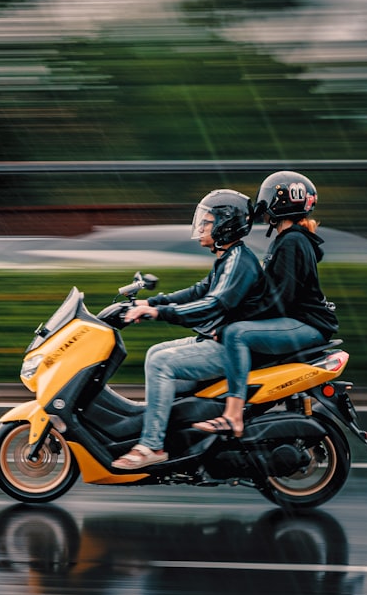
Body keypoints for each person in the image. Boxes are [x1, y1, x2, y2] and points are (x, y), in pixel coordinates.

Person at [111, 188, 268, 470]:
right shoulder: (229, 257)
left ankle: (152, 446)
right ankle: (177, 432)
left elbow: (211, 305)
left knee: (161, 362)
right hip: (219, 339)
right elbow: (198, 291)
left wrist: (159, 312)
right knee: (156, 352)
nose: (202, 227)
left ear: (226, 224)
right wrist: (152, 302)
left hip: (230, 349)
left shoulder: (239, 262)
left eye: (208, 222)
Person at [193, 171, 338, 437]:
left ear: (276, 201)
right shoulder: (289, 240)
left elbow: (279, 300)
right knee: (234, 330)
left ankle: (232, 416)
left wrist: (231, 322)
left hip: (306, 325)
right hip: (300, 321)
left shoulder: (292, 241)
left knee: (237, 334)